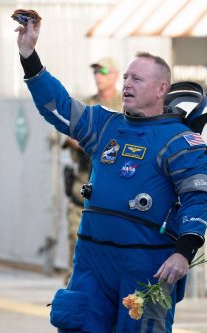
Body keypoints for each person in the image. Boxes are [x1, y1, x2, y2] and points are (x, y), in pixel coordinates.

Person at [15, 19, 207, 332]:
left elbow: (196, 199)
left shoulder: (180, 141)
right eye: (125, 77)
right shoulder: (103, 124)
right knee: (76, 325)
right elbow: (58, 106)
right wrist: (29, 56)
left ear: (162, 88)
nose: (126, 84)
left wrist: (183, 253)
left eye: (137, 78)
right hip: (91, 262)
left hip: (145, 265)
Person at [62, 57, 122, 284]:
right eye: (95, 71)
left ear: (115, 75)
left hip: (115, 194)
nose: (98, 76)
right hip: (83, 189)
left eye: (104, 71)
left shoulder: (125, 106)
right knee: (76, 249)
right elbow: (69, 135)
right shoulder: (86, 106)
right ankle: (74, 303)